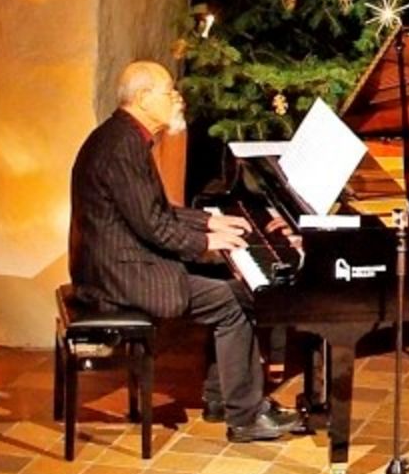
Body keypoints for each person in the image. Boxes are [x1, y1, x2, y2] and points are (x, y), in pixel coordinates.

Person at [67, 61, 300, 443]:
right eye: (169, 91)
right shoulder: (122, 147)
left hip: (119, 263)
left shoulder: (124, 137)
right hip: (119, 276)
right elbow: (153, 226)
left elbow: (156, 210)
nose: (178, 97)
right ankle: (245, 417)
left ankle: (222, 398)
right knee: (233, 301)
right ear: (143, 98)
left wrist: (209, 223)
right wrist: (205, 242)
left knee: (234, 288)